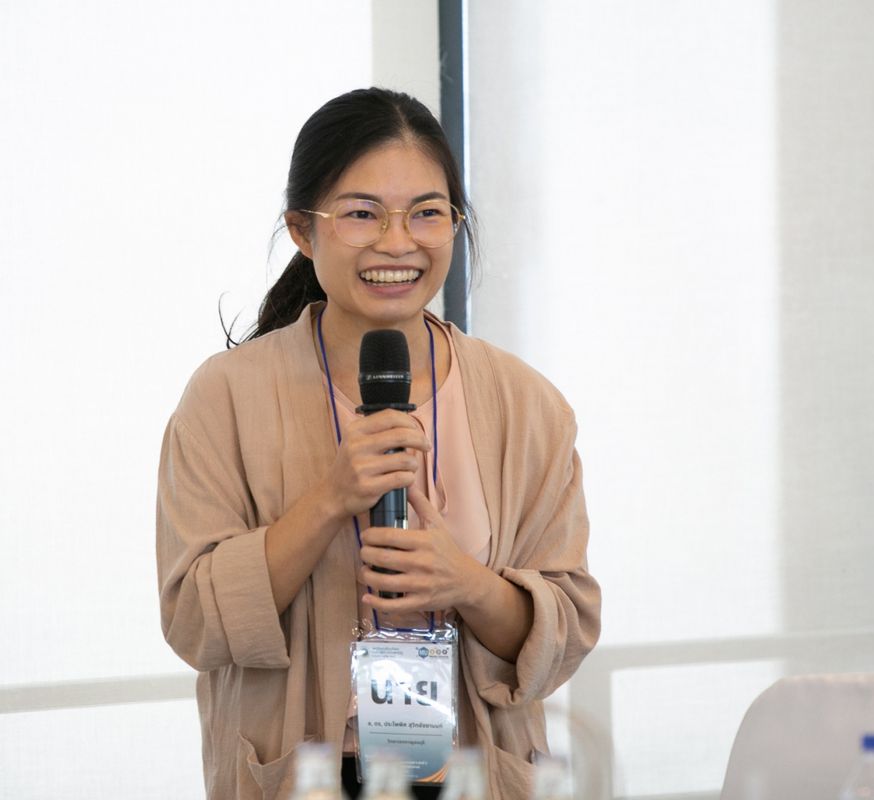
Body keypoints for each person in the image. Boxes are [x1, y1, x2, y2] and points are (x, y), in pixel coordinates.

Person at [156, 87, 601, 800]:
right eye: (362, 213)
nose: (398, 243)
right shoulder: (225, 397)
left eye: (427, 212)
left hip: (475, 775)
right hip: (303, 777)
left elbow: (567, 632)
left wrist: (469, 585)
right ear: (303, 230)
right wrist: (329, 500)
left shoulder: (529, 406)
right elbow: (193, 622)